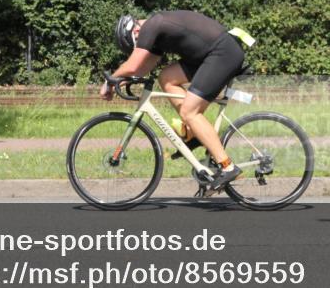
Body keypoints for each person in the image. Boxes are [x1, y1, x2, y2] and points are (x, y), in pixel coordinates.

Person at [102, 10, 247, 191]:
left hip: (222, 54)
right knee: (166, 78)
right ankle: (194, 135)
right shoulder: (155, 31)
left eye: (136, 44)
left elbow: (133, 65)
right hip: (208, 56)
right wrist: (120, 82)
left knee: (189, 111)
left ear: (135, 32)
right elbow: (143, 67)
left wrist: (109, 81)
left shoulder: (152, 25)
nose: (139, 45)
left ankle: (228, 167)